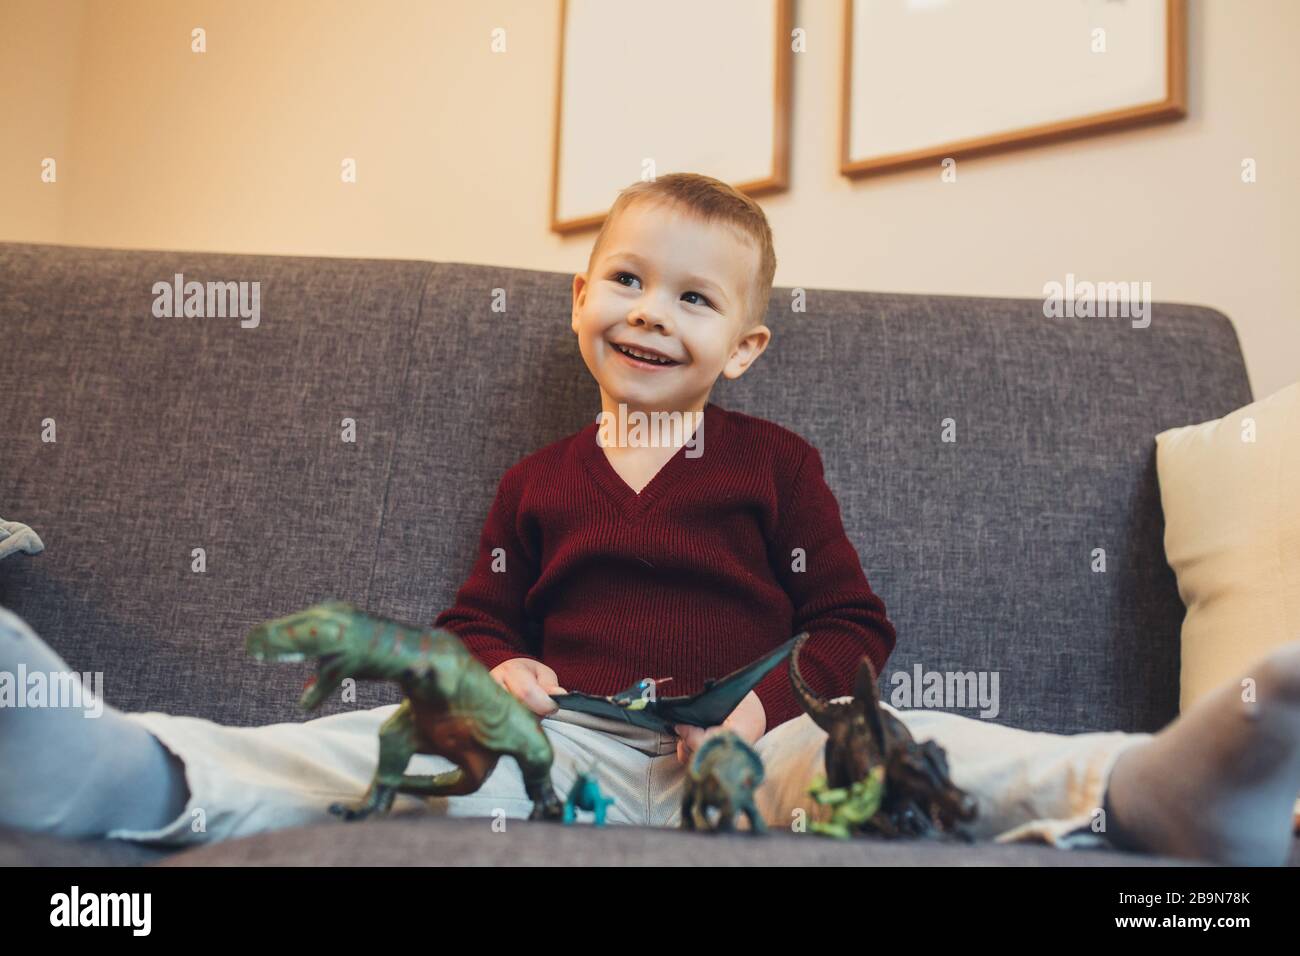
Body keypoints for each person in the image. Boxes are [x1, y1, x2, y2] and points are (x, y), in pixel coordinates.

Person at [4, 174, 1299, 865]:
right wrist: (496, 666)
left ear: (742, 347)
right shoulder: (538, 483)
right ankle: (134, 771)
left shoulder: (775, 466)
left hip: (767, 747)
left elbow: (853, 621)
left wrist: (772, 710)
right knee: (391, 735)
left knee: (911, 747)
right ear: (581, 297)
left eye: (691, 300)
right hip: (577, 752)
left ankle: (1138, 790)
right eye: (626, 279)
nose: (649, 313)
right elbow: (479, 616)